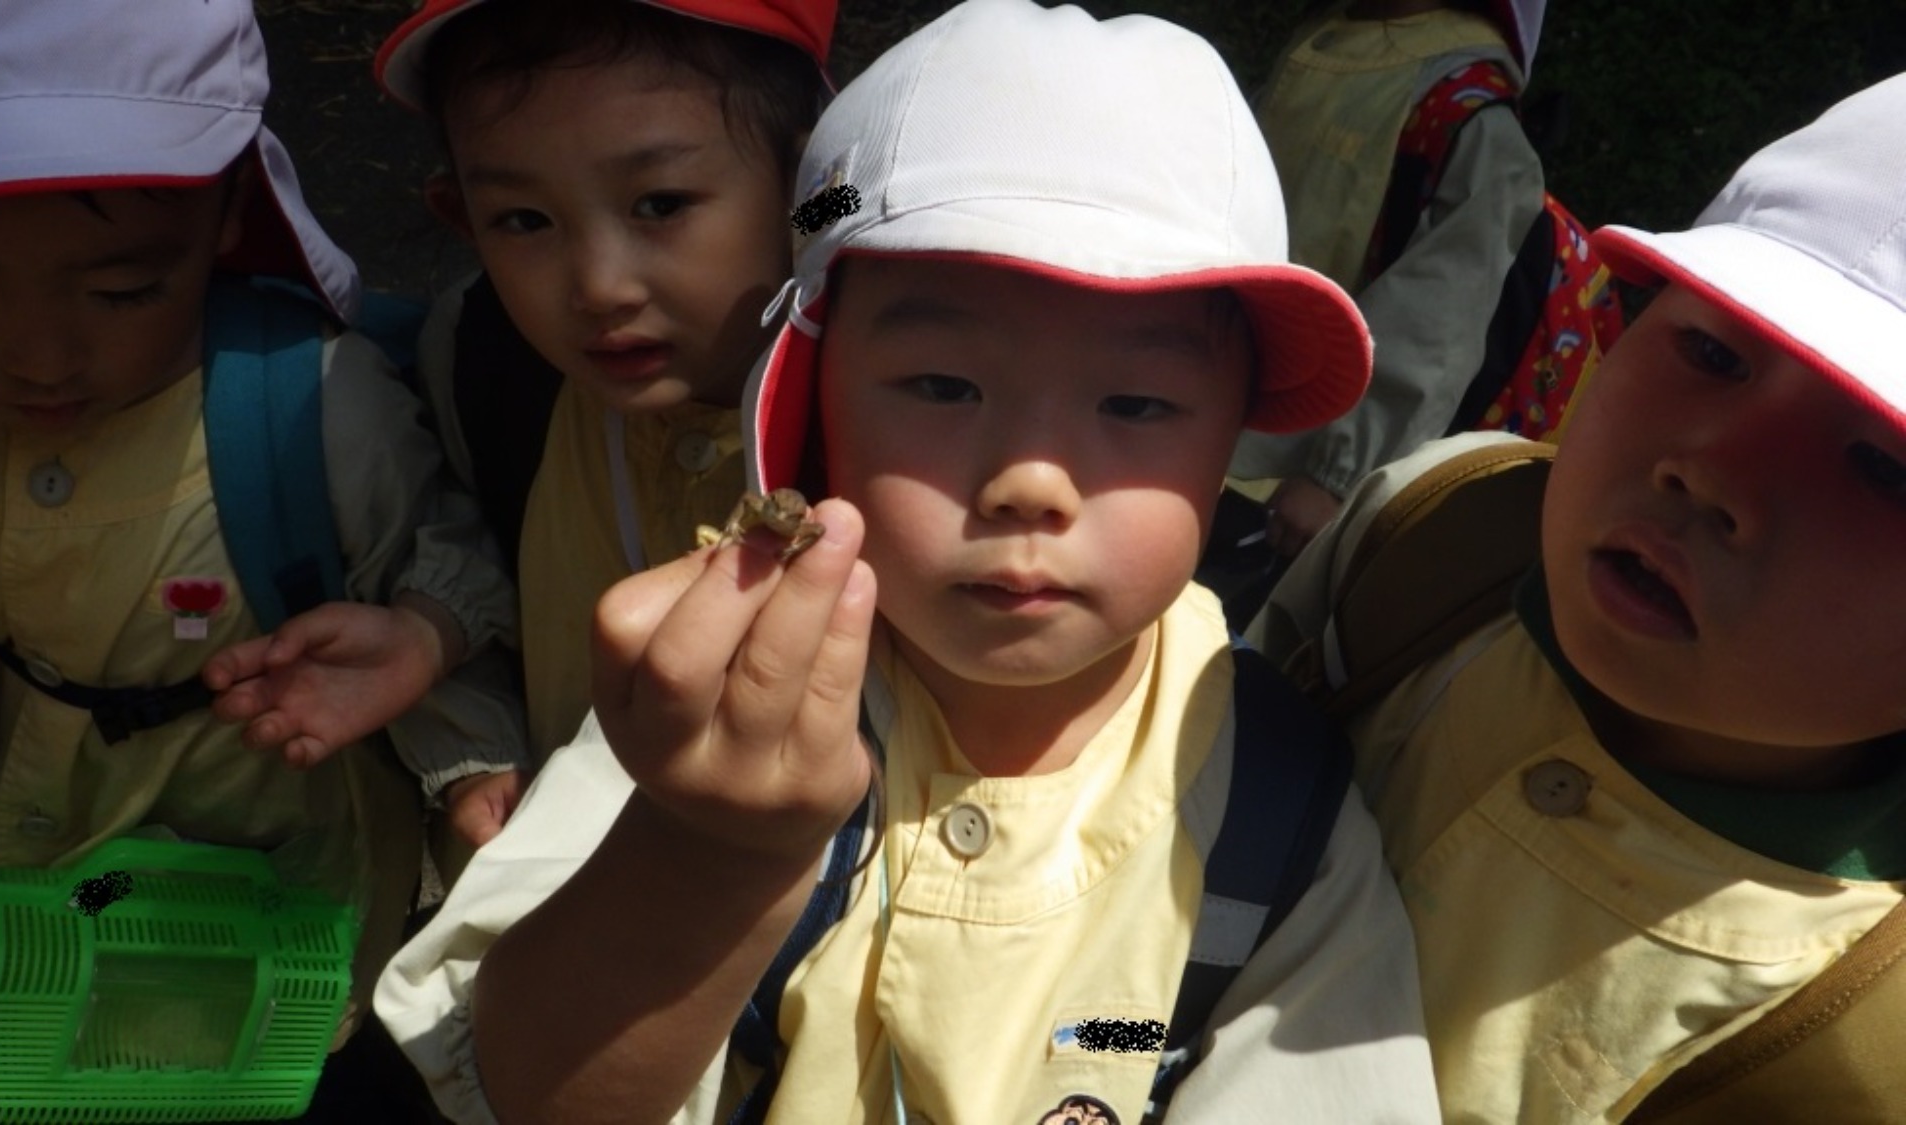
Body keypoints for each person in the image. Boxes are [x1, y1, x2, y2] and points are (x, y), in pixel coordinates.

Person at [376, 2, 1441, 1122]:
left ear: (1229, 442)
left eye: (1136, 402)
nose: (1030, 480)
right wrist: (707, 853)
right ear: (808, 407)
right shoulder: (712, 724)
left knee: (1110, 1033)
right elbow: (525, 1092)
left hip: (1127, 1029)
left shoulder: (1278, 815)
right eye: (942, 386)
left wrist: (1094, 1046)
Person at [1247, 74, 1906, 1122]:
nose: (1710, 469)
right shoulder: (1435, 526)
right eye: (1710, 350)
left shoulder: (1858, 1038)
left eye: (1882, 471)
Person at [0, 0, 524, 1114]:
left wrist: (453, 715)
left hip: (256, 958)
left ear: (233, 205)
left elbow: (456, 568)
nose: (39, 357)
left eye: (120, 288)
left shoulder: (310, 412)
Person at [371, 0, 835, 759]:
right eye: (524, 219)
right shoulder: (483, 363)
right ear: (461, 218)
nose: (599, 287)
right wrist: (473, 738)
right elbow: (483, 554)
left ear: (806, 186)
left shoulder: (909, 420)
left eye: (661, 204)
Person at [1232, 0, 1619, 560]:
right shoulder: (1336, 36)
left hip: (1277, 475)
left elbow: (1438, 316)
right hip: (1227, 412)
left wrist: (1337, 474)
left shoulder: (1464, 108)